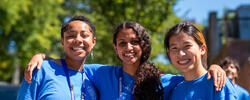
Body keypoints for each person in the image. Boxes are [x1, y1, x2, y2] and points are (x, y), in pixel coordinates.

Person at [24, 22, 226, 100]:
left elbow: (194, 76)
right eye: (122, 43)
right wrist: (42, 57)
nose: (128, 48)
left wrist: (214, 66)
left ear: (144, 45)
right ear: (115, 48)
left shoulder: (162, 81)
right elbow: (72, 62)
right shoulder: (101, 73)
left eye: (134, 42)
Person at [17, 16, 98, 100]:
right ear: (62, 41)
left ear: (93, 42)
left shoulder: (95, 77)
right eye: (71, 36)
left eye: (84, 35)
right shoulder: (41, 69)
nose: (78, 40)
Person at [163, 21, 238, 99]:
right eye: (174, 48)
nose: (181, 54)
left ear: (202, 49)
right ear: (169, 54)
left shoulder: (218, 83)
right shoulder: (171, 89)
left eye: (187, 46)